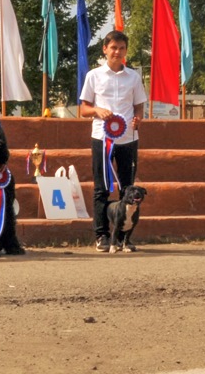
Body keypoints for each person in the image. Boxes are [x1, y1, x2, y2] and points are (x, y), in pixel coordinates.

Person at [79, 29, 147, 252]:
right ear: (105, 49)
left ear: (126, 51)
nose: (117, 52)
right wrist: (97, 110)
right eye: (113, 48)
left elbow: (138, 105)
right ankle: (102, 235)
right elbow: (83, 109)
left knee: (126, 188)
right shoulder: (94, 76)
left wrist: (139, 118)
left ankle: (123, 238)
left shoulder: (134, 77)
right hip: (102, 137)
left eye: (122, 48)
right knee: (102, 188)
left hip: (128, 138)